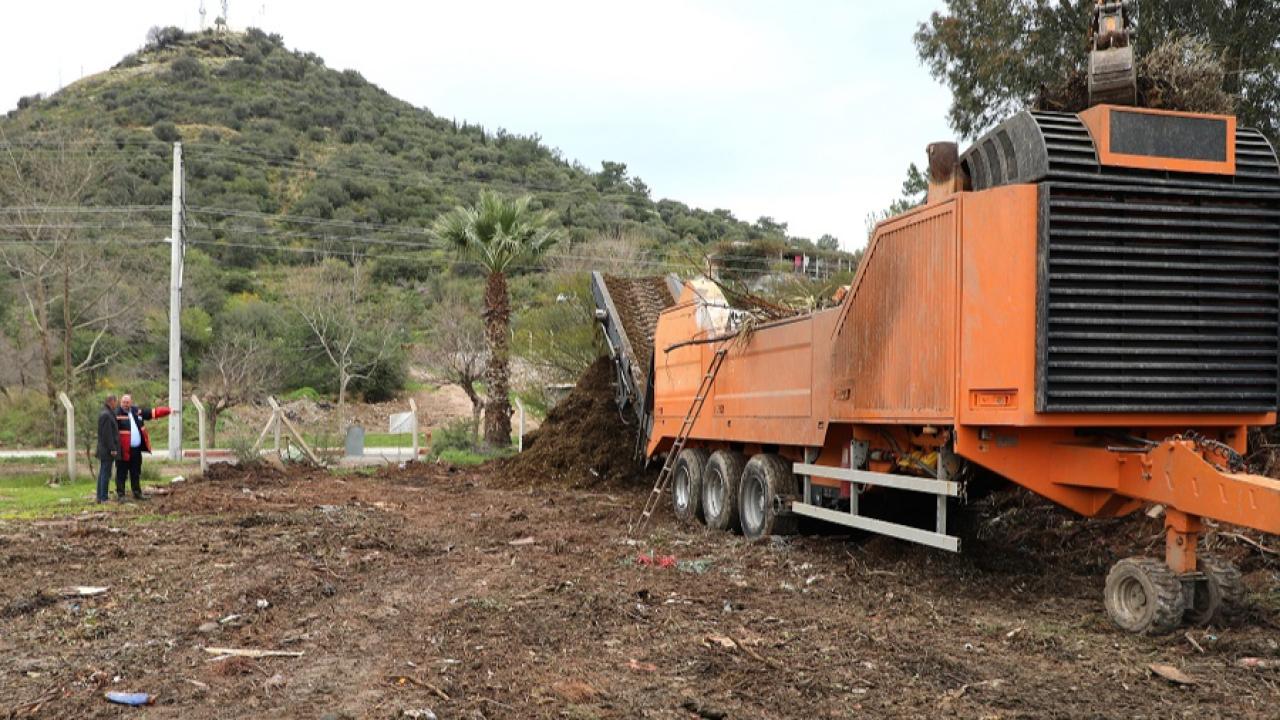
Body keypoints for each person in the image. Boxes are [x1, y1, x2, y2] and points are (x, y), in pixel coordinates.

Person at [114, 394, 174, 502]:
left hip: (136, 450)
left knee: (136, 472)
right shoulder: (116, 414)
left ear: (131, 403)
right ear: (120, 402)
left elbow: (152, 413)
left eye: (127, 402)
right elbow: (112, 432)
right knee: (121, 473)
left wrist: (168, 410)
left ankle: (137, 493)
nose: (125, 404)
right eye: (123, 402)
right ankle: (121, 495)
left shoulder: (136, 411)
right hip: (123, 451)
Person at [95, 395, 121, 504]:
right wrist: (112, 448)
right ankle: (104, 498)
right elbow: (107, 435)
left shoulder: (107, 413)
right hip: (106, 450)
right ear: (111, 402)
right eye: (116, 402)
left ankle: (100, 497)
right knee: (105, 473)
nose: (117, 404)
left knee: (103, 473)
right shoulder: (106, 415)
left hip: (105, 449)